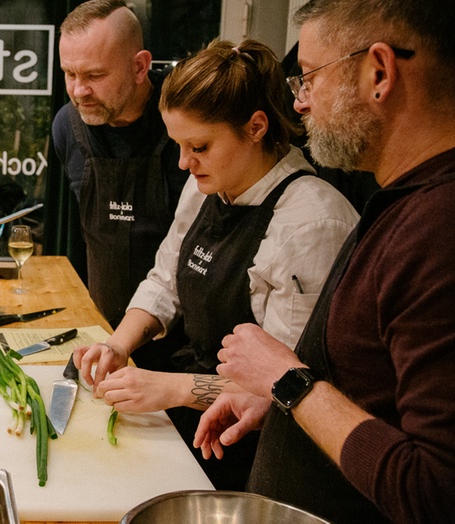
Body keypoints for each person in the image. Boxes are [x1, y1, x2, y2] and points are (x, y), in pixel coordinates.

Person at [194, 1, 455, 522]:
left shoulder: (439, 227)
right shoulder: (400, 200)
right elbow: (375, 398)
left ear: (379, 72)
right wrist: (283, 404)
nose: (301, 104)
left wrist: (289, 382)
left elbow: (436, 491)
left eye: (310, 77)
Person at [73, 39, 359, 490]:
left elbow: (285, 388)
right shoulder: (207, 183)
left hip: (256, 455)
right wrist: (118, 345)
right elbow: (164, 281)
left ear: (257, 127)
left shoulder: (311, 224)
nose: (185, 163)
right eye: (179, 146)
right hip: (195, 424)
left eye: (200, 146)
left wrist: (170, 388)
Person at [52, 0, 189, 369]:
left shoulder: (185, 125)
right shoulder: (68, 126)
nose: (79, 91)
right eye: (69, 74)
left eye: (94, 76)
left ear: (140, 66)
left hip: (181, 346)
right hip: (102, 341)